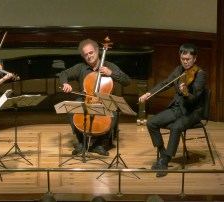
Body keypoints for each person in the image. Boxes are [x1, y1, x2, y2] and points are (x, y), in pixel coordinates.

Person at [138, 43, 206, 177]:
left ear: (195, 59)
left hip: (192, 111)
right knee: (151, 123)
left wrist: (186, 92)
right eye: (183, 59)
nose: (185, 62)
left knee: (176, 127)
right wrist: (149, 94)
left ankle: (165, 161)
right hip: (177, 108)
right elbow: (165, 84)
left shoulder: (200, 74)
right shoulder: (178, 70)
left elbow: (194, 99)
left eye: (188, 59)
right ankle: (163, 152)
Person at [59, 38, 131, 156]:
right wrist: (65, 83)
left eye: (91, 52)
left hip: (105, 100)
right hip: (86, 98)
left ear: (97, 52)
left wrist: (111, 73)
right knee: (72, 108)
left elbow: (127, 81)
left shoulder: (109, 66)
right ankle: (81, 142)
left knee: (115, 110)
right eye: (85, 54)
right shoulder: (80, 67)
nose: (89, 56)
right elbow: (63, 74)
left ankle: (99, 143)